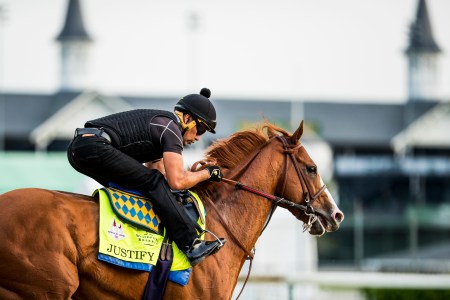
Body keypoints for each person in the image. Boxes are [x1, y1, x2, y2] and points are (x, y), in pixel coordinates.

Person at [67, 88, 225, 266]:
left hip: (80, 149)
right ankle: (191, 244)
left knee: (148, 183)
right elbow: (177, 181)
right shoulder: (171, 129)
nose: (198, 138)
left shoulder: (164, 126)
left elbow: (159, 172)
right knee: (153, 181)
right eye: (201, 129)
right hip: (93, 147)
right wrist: (207, 173)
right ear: (187, 119)